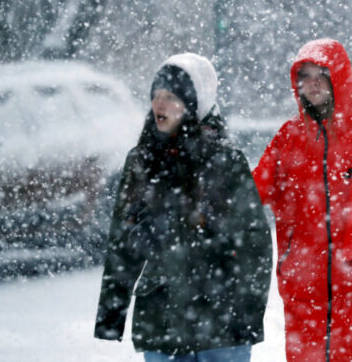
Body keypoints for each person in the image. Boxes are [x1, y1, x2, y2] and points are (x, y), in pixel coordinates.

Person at [94, 53, 273, 361]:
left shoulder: (226, 161)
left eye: (170, 96)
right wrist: (111, 314)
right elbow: (122, 244)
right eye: (156, 96)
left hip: (222, 322)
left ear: (193, 103)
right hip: (161, 318)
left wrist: (246, 315)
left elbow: (254, 245)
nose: (159, 105)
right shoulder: (141, 160)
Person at [253, 38, 352, 362]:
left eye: (320, 74)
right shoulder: (290, 137)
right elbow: (255, 188)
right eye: (304, 76)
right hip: (306, 287)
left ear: (338, 76)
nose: (312, 83)